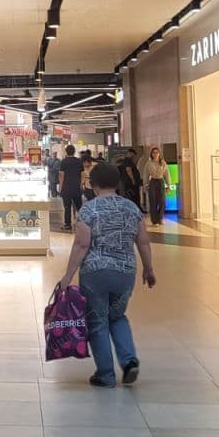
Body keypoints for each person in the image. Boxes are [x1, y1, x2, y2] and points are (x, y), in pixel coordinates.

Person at [59, 162, 156, 388]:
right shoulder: (132, 208)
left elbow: (82, 245)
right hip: (125, 273)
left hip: (95, 274)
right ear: (117, 182)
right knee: (118, 316)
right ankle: (129, 361)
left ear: (93, 185)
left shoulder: (88, 210)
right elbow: (143, 241)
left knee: (97, 321)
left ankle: (105, 375)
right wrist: (148, 268)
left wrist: (68, 276)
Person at [58, 145, 85, 232]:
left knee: (67, 207)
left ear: (66, 152)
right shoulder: (79, 161)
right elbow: (82, 174)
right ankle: (83, 223)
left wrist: (60, 187)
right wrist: (81, 184)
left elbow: (61, 176)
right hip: (76, 188)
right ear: (74, 151)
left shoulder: (63, 162)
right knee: (79, 207)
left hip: (66, 188)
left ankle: (67, 224)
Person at [144, 147, 171, 227]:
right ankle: (154, 220)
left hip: (160, 181)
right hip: (153, 182)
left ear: (159, 154)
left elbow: (167, 174)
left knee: (162, 201)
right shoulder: (149, 163)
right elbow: (145, 175)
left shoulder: (163, 163)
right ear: (151, 154)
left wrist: (168, 185)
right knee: (153, 201)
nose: (155, 154)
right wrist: (145, 185)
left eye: (157, 152)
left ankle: (160, 218)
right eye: (153, 153)